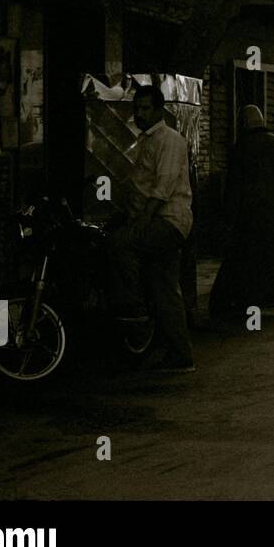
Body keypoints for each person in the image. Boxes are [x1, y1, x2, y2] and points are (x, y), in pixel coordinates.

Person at [109, 84, 196, 373]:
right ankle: (178, 353)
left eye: (146, 108)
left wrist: (141, 222)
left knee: (119, 244)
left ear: (159, 110)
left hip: (167, 221)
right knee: (164, 290)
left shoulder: (169, 140)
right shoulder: (147, 141)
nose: (140, 113)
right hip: (157, 221)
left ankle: (133, 308)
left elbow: (163, 186)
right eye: (137, 108)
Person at [210, 106, 274, 320]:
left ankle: (250, 303)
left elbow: (233, 188)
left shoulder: (240, 149)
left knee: (251, 260)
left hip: (250, 216)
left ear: (243, 124)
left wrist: (228, 217)